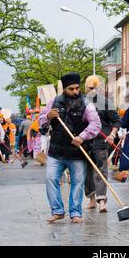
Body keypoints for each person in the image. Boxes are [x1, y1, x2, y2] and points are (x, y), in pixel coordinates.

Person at [39, 72, 101, 224]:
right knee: (51, 178)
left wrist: (82, 136)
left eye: (77, 88)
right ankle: (57, 211)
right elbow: (40, 121)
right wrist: (48, 117)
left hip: (77, 153)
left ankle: (75, 213)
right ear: (64, 89)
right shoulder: (53, 102)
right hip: (56, 151)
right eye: (71, 89)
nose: (75, 92)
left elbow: (96, 124)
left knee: (77, 183)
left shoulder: (87, 104)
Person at [84, 75, 122, 213]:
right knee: (87, 172)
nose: (92, 90)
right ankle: (92, 198)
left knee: (101, 170)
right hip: (85, 142)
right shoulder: (81, 102)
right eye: (90, 87)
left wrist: (112, 134)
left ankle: (101, 200)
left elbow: (117, 120)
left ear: (100, 88)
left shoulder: (106, 103)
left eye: (95, 87)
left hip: (102, 141)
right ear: (86, 88)